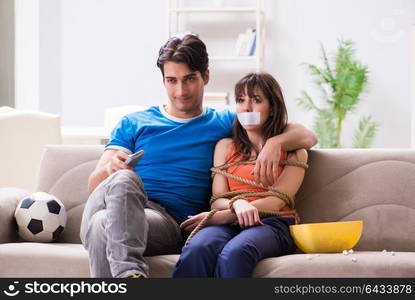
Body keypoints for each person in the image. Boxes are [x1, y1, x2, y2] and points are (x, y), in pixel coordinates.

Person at [80, 34, 317, 278]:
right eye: (171, 81)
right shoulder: (133, 123)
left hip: (161, 222)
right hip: (116, 202)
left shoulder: (223, 122)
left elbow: (306, 136)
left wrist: (275, 143)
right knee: (123, 182)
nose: (180, 91)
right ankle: (129, 274)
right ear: (163, 81)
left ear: (206, 76)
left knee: (101, 226)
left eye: (189, 79)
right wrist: (110, 170)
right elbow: (93, 185)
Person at [172, 72, 308, 277]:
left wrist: (225, 216)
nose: (246, 107)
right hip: (231, 220)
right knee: (197, 248)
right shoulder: (224, 147)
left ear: (272, 108)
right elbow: (218, 199)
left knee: (235, 252)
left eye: (256, 100)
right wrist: (237, 204)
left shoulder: (295, 152)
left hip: (272, 223)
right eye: (241, 100)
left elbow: (275, 202)